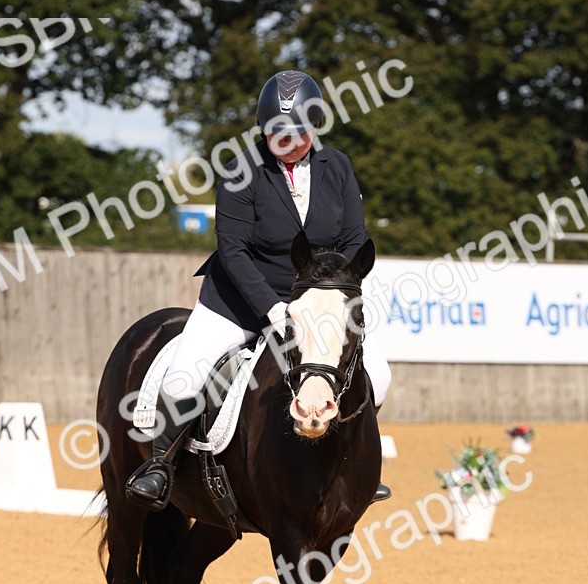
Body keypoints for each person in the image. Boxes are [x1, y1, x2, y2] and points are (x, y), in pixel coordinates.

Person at [125, 69, 392, 510]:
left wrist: (329, 296)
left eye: (300, 132)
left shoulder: (337, 166)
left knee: (378, 374)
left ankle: (353, 463)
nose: (289, 142)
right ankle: (160, 467)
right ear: (264, 130)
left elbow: (352, 240)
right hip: (238, 302)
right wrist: (271, 309)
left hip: (315, 305)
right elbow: (232, 249)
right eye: (278, 133)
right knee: (185, 373)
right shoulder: (240, 170)